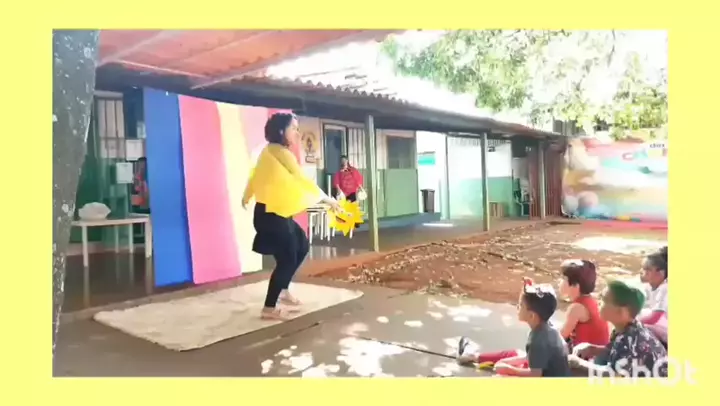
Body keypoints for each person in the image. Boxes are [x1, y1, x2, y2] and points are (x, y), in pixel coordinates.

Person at [242, 113, 342, 321]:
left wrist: (247, 195)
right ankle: (269, 308)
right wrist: (328, 200)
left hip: (276, 213)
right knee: (287, 259)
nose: (297, 133)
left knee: (302, 245)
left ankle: (283, 289)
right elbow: (302, 180)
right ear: (281, 131)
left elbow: (255, 176)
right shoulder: (279, 153)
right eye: (294, 128)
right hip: (271, 215)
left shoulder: (270, 151)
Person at [458, 282, 571, 377]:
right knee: (514, 354)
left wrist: (509, 370)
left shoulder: (537, 340)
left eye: (521, 305)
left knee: (500, 377)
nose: (517, 307)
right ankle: (473, 357)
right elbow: (531, 358)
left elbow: (535, 374)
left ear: (531, 316)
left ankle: (473, 357)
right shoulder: (548, 328)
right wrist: (505, 362)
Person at [570, 280, 668, 378]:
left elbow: (613, 374)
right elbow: (615, 351)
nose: (599, 302)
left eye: (604, 300)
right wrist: (592, 349)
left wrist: (578, 363)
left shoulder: (629, 339)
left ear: (622, 312)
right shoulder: (628, 328)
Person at [558, 259, 610, 351]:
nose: (560, 281)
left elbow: (560, 337)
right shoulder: (591, 300)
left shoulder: (576, 308)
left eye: (564, 279)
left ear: (575, 286)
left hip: (588, 356)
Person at [639, 247, 668, 345]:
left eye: (647, 269)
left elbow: (654, 318)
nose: (642, 272)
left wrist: (631, 323)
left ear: (660, 272)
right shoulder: (649, 287)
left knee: (639, 328)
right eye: (642, 268)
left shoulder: (664, 289)